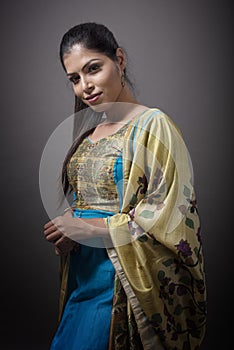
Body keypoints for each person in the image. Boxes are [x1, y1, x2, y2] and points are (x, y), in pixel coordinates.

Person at [44, 22, 206, 350]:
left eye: (93, 69)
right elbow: (89, 203)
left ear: (119, 59)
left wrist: (89, 228)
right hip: (82, 277)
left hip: (123, 282)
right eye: (74, 78)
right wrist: (68, 235)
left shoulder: (153, 125)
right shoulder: (89, 135)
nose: (85, 86)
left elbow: (167, 213)